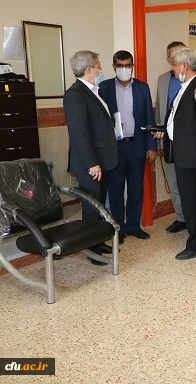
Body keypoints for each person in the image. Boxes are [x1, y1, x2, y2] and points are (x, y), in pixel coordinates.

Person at [154, 47, 196, 260]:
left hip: (191, 154)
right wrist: (164, 130)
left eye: (174, 65)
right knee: (190, 200)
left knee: (192, 201)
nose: (172, 69)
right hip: (180, 151)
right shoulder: (184, 86)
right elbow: (178, 118)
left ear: (184, 66)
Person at [63, 50, 118, 266]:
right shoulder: (75, 94)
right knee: (90, 206)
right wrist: (92, 163)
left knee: (99, 205)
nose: (101, 69)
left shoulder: (93, 91)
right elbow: (79, 133)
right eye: (98, 66)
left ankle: (98, 241)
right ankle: (92, 249)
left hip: (101, 159)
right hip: (90, 163)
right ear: (89, 69)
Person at [99, 50, 156, 244]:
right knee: (115, 190)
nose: (124, 69)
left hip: (137, 145)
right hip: (115, 148)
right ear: (114, 66)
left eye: (128, 65)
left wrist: (151, 146)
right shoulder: (104, 87)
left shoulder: (142, 87)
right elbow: (100, 118)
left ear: (132, 66)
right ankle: (119, 229)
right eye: (120, 66)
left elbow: (149, 117)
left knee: (136, 188)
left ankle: (133, 226)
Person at [155, 42, 187, 234]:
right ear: (168, 60)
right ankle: (181, 217)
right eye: (176, 55)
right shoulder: (163, 80)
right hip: (170, 140)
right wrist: (159, 141)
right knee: (174, 181)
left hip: (192, 141)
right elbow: (160, 110)